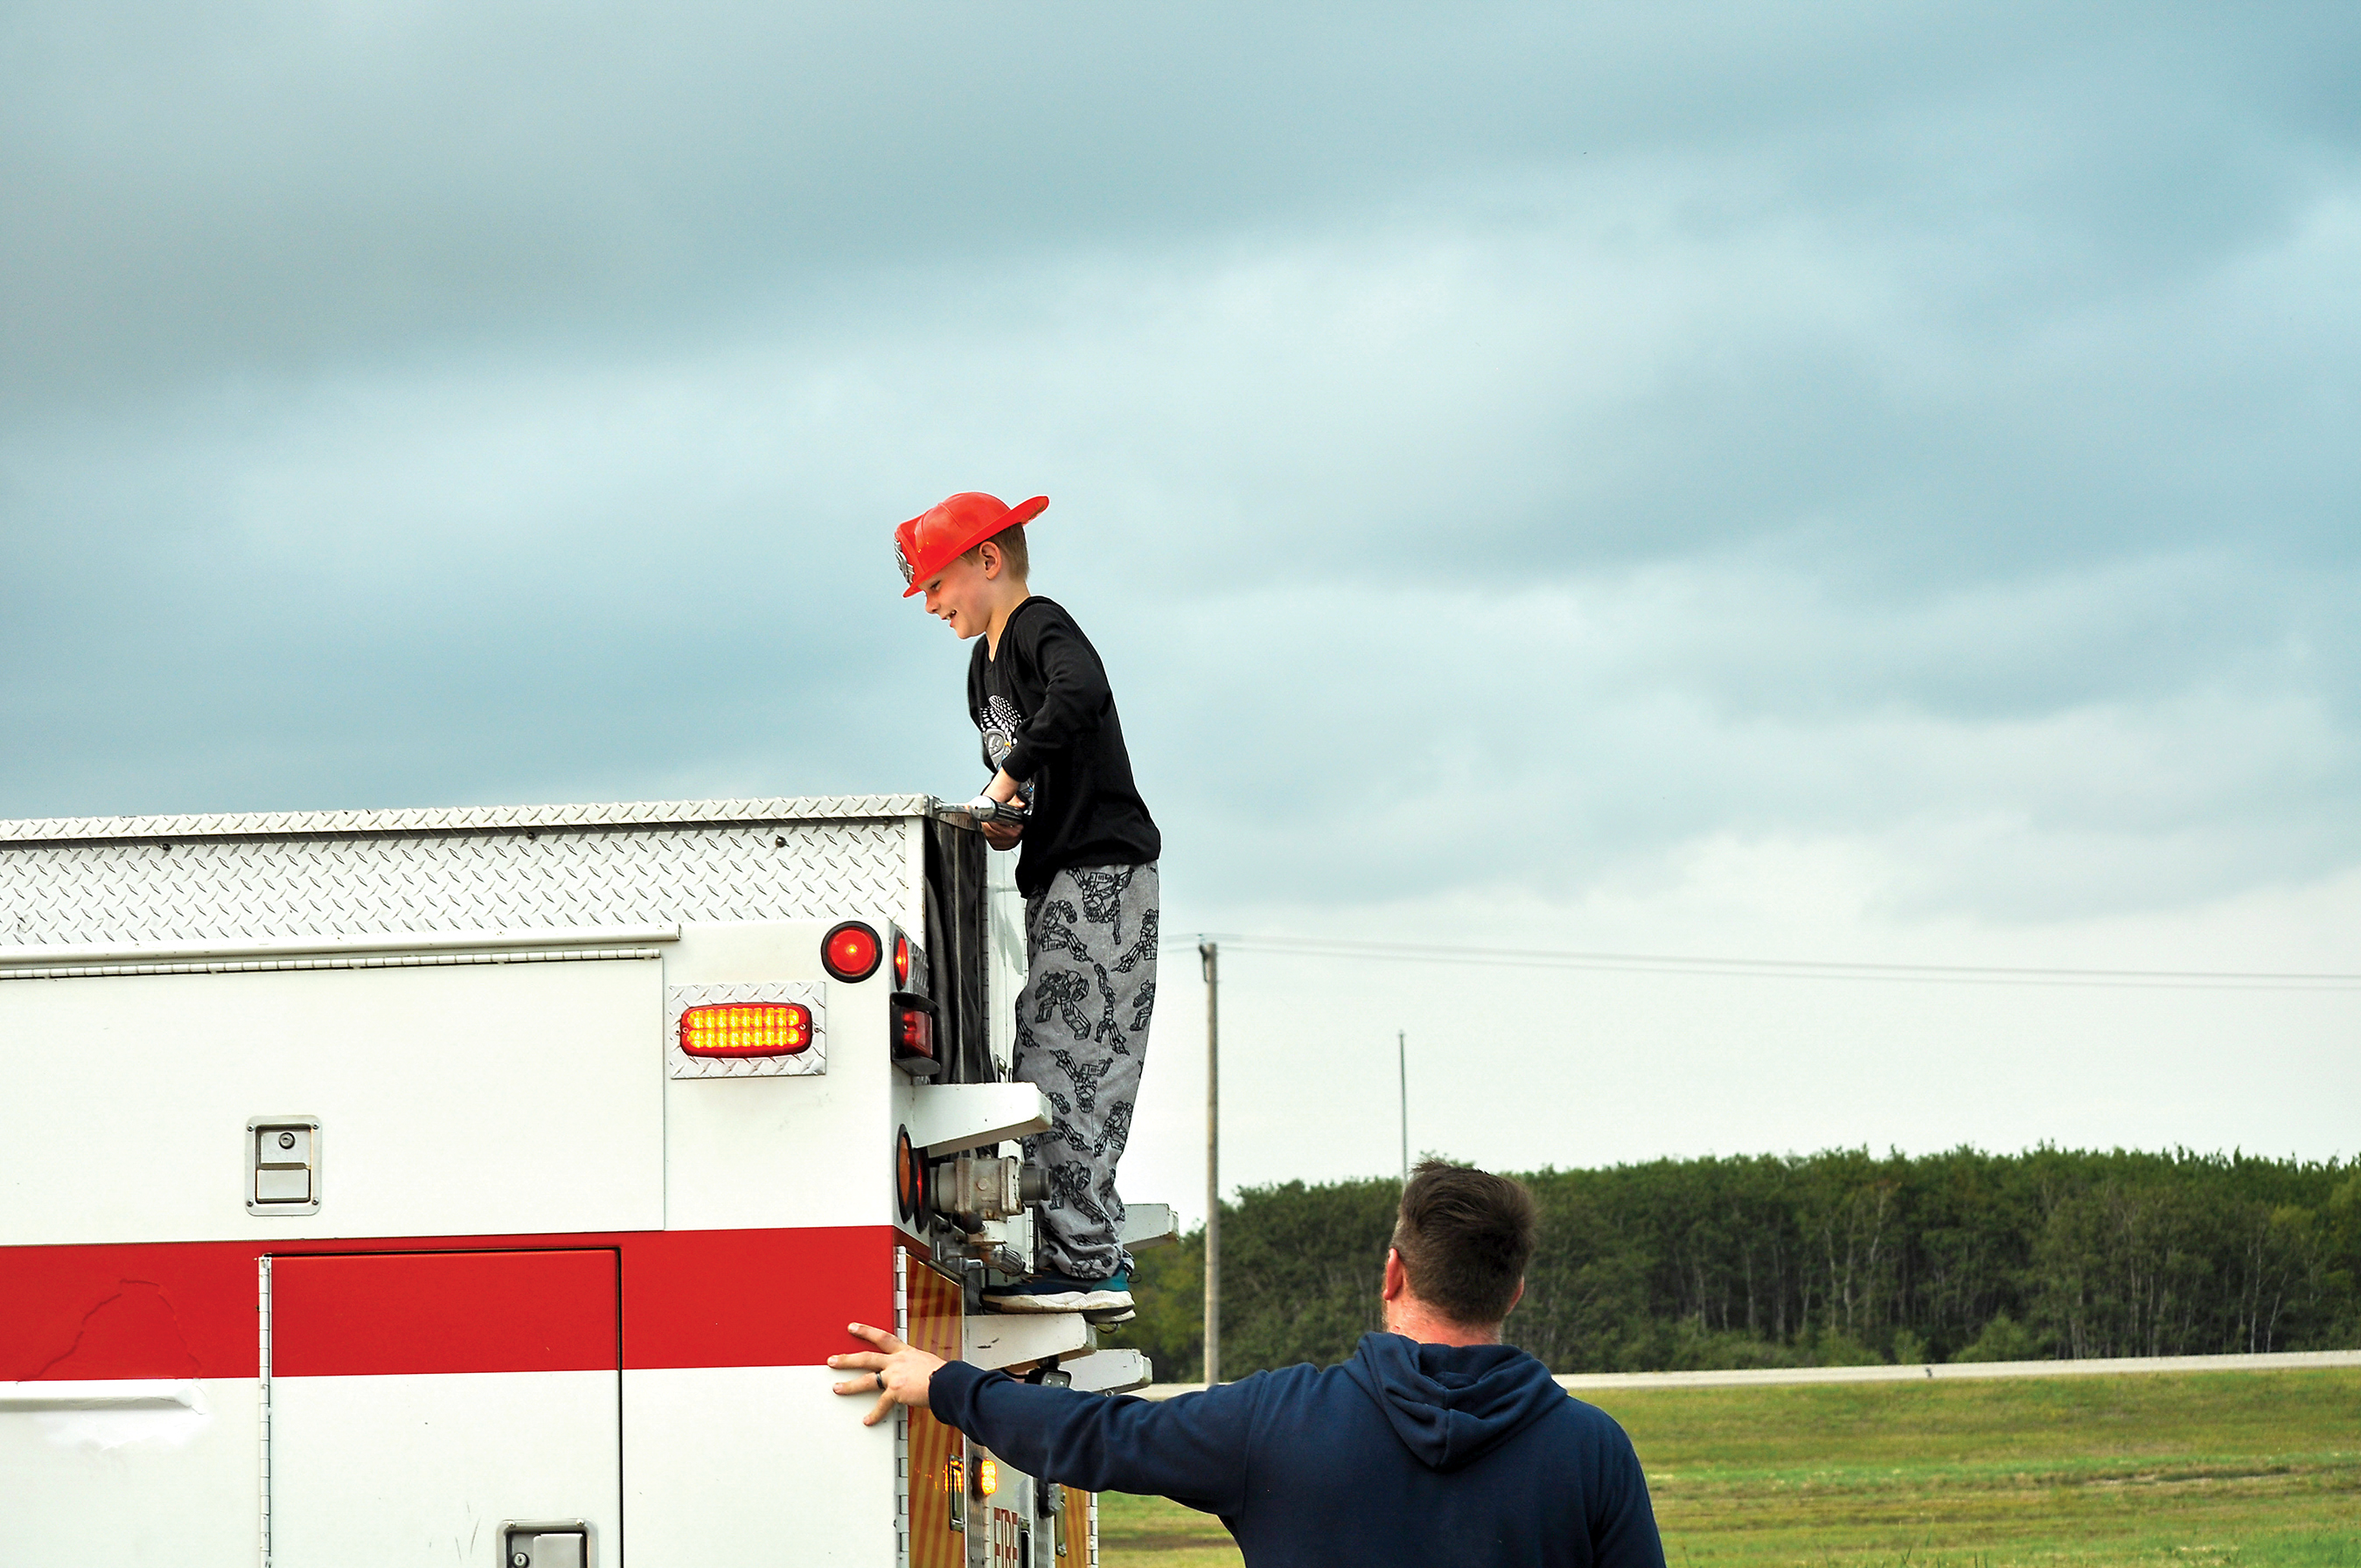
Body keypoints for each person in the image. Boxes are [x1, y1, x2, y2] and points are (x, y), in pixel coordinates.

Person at [830, 1160, 1668, 1568]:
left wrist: (941, 1381)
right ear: (1515, 1291)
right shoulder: (1593, 1452)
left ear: (1393, 1272)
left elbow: (1096, 1436)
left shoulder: (1280, 1420)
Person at [895, 491, 1162, 1318]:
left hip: (1103, 875)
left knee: (1078, 1062)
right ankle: (1073, 1246)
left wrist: (1005, 779)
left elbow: (1080, 692)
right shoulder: (983, 666)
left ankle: (1088, 1260)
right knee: (1044, 1058)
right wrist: (1012, 818)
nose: (933, 605)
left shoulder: (1042, 626)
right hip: (1056, 875)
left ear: (987, 559)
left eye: (937, 585)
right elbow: (1042, 763)